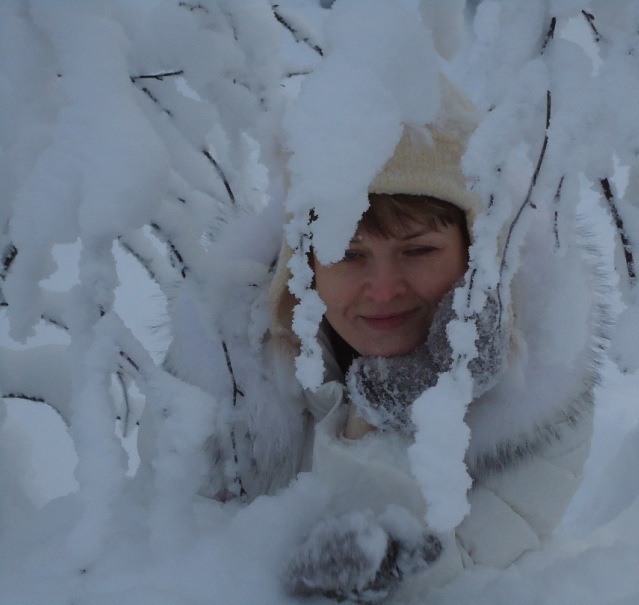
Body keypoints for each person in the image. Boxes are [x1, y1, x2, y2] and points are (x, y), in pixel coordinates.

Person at [165, 76, 605, 602]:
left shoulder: (535, 403)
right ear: (302, 264)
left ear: (475, 252)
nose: (383, 289)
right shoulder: (223, 366)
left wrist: (389, 414)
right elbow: (173, 551)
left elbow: (458, 574)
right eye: (348, 255)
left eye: (418, 251)